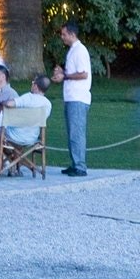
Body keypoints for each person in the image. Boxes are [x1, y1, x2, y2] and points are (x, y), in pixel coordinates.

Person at [52, 21, 91, 176]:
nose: (62, 37)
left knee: (77, 133)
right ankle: (75, 163)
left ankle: (80, 166)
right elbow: (73, 72)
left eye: (64, 34)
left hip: (78, 98)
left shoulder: (80, 51)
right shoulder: (72, 51)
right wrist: (63, 72)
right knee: (71, 132)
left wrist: (65, 76)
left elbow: (83, 74)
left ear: (72, 34)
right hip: (70, 97)